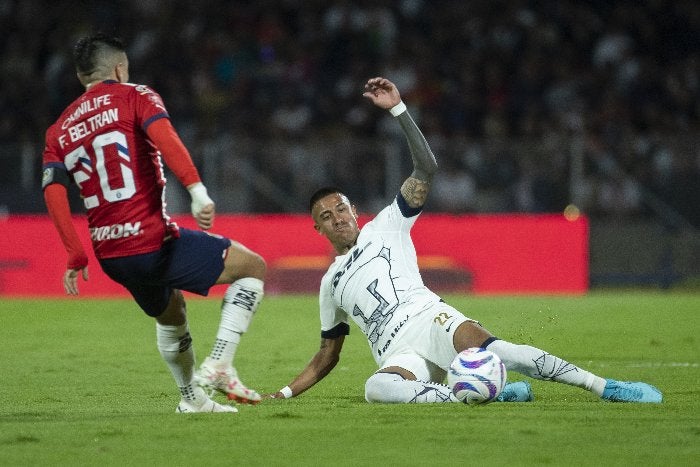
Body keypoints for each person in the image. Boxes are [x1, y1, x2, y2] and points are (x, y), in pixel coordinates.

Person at [267, 77, 663, 404]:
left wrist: (399, 110)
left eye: (340, 209)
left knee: (500, 352)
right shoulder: (330, 284)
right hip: (399, 355)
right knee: (376, 388)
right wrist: (283, 394)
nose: (336, 218)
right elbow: (327, 355)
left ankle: (605, 387)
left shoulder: (386, 225)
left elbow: (426, 167)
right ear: (317, 229)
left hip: (430, 320)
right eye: (325, 217)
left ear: (354, 210)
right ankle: (471, 396)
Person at [42, 33, 265, 413]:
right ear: (119, 67)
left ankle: (191, 401)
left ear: (82, 76)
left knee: (172, 312)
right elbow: (165, 138)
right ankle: (221, 365)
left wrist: (75, 253)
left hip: (110, 255)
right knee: (253, 268)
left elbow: (53, 191)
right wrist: (197, 191)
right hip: (151, 241)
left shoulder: (59, 129)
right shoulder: (134, 95)